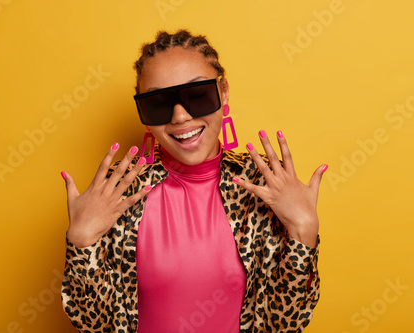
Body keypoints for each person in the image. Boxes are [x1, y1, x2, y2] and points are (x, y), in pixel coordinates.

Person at [60, 29, 327, 333]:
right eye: (158, 103)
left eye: (197, 95)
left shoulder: (263, 183)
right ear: (143, 114)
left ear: (223, 92)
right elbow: (97, 326)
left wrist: (304, 232)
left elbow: (282, 324)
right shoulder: (121, 191)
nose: (180, 117)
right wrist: (81, 244)